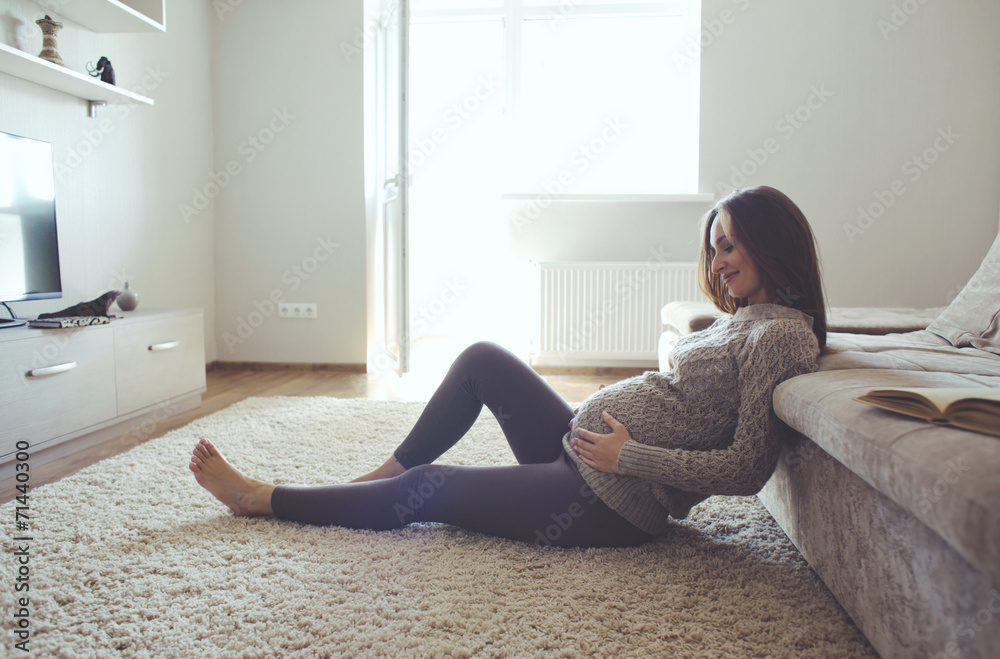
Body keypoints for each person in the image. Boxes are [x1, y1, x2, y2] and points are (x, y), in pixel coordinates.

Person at [190, 185, 826, 549]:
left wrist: (627, 457)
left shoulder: (779, 338)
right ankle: (378, 473)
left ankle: (260, 499)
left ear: (771, 242)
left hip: (609, 499)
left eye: (729, 245)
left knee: (429, 491)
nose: (716, 263)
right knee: (481, 359)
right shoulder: (743, 320)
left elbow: (747, 468)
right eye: (714, 247)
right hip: (581, 451)